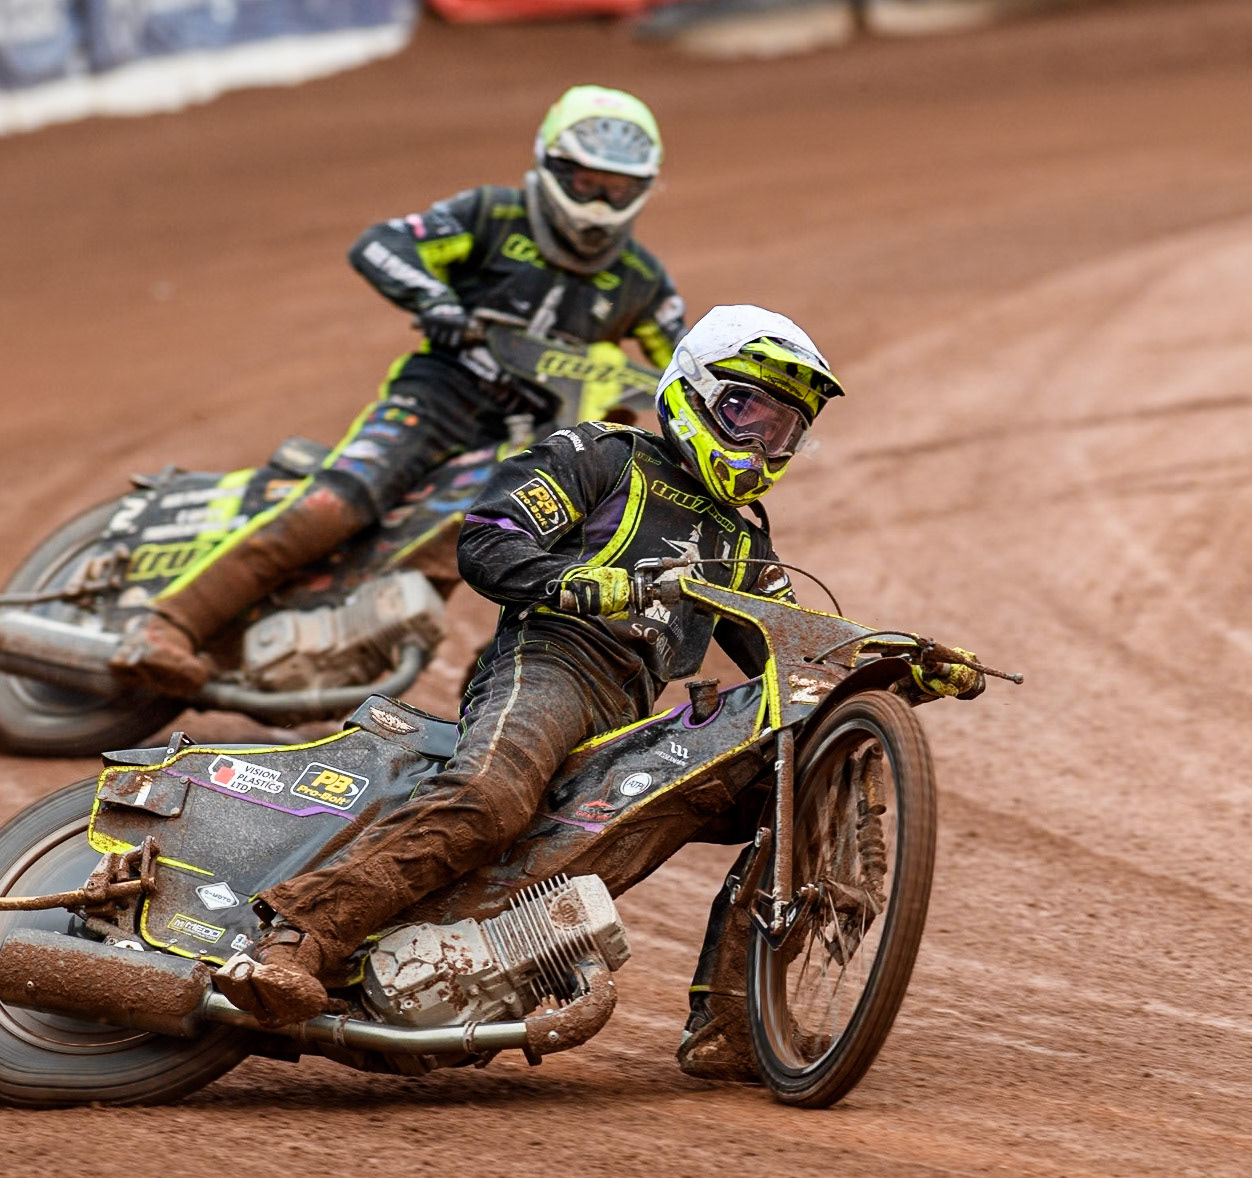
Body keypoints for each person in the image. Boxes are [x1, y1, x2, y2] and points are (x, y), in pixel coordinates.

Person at [214, 305, 959, 1086]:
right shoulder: (603, 455)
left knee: (800, 779)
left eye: (782, 431)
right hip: (550, 662)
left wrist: (906, 664)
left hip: (631, 717)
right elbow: (487, 537)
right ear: (695, 391)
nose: (760, 445)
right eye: (746, 413)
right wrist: (576, 581)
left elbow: (798, 651)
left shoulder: (743, 539)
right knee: (493, 797)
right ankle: (294, 936)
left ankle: (733, 1020)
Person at [109, 84, 688, 695]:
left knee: (545, 545)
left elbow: (684, 363)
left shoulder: (642, 279)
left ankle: (507, 686)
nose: (598, 204)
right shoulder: (492, 214)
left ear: (643, 189)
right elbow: (382, 243)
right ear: (551, 166)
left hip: (526, 438)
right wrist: (436, 301)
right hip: (438, 397)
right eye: (587, 183)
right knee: (336, 505)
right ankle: (165, 624)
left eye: (616, 189)